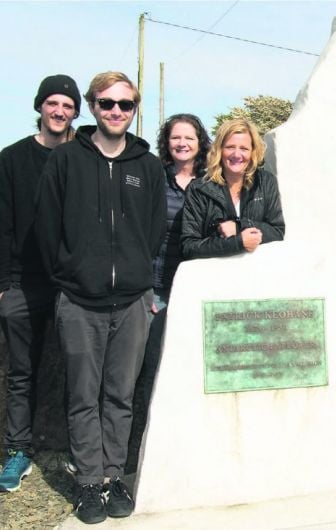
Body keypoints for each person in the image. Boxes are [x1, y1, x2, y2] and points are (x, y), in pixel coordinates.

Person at [34, 72, 166, 524]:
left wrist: (132, 272)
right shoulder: (68, 159)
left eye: (125, 105)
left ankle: (113, 478)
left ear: (134, 109)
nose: (115, 111)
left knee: (120, 396)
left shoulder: (146, 166)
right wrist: (71, 273)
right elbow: (47, 227)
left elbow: (152, 231)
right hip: (79, 302)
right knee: (83, 396)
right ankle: (88, 483)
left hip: (130, 303)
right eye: (107, 103)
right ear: (92, 106)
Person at [0, 74, 81, 493]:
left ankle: (82, 455)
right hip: (24, 285)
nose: (59, 111)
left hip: (72, 284)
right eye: (53, 103)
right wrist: (3, 284)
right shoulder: (12, 157)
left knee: (81, 372)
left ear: (76, 112)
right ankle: (18, 453)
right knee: (22, 373)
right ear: (40, 107)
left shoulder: (82, 157)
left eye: (67, 105)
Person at [126, 114, 211, 472]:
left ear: (199, 142)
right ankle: (139, 450)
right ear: (167, 142)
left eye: (188, 137)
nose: (182, 144)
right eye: (175, 138)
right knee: (146, 370)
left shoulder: (210, 183)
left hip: (192, 289)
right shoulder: (154, 179)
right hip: (155, 287)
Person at [180, 118, 285, 258]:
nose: (237, 154)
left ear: (253, 151)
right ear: (219, 149)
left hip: (257, 274)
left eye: (244, 148)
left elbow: (277, 232)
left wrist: (240, 225)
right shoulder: (199, 189)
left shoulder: (265, 182)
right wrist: (237, 243)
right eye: (230, 147)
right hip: (215, 275)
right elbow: (189, 246)